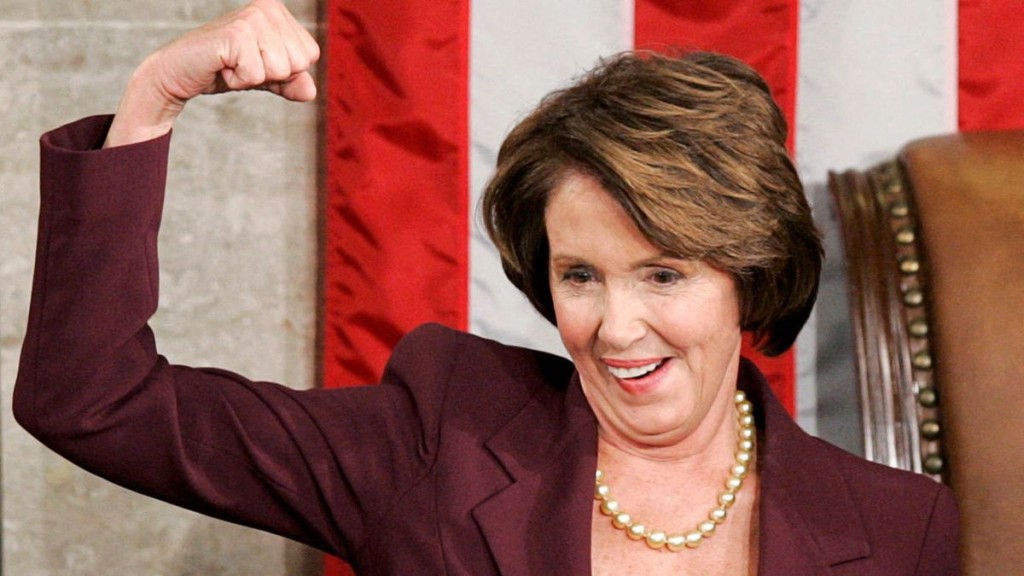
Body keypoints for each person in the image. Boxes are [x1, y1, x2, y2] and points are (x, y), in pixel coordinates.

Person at [14, 0, 959, 574]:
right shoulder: (441, 437)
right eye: (580, 275)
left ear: (748, 277)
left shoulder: (897, 530)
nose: (617, 327)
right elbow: (94, 400)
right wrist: (153, 100)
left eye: (663, 272)